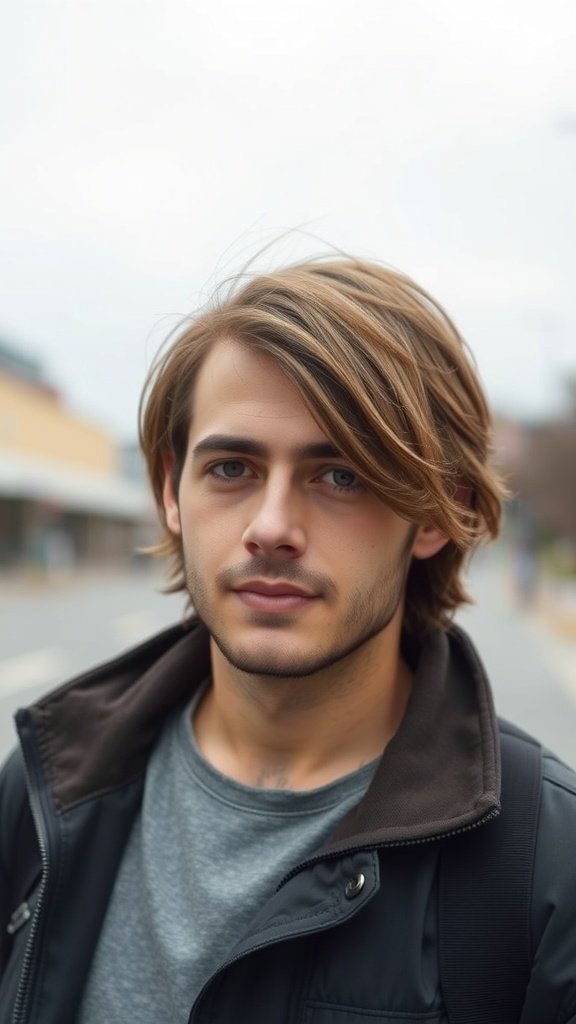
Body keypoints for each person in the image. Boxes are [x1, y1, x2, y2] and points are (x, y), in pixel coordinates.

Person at [1, 257, 575, 1024]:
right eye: (232, 467)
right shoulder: (44, 790)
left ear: (439, 512)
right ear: (172, 491)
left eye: (340, 476)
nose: (270, 526)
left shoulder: (544, 868)